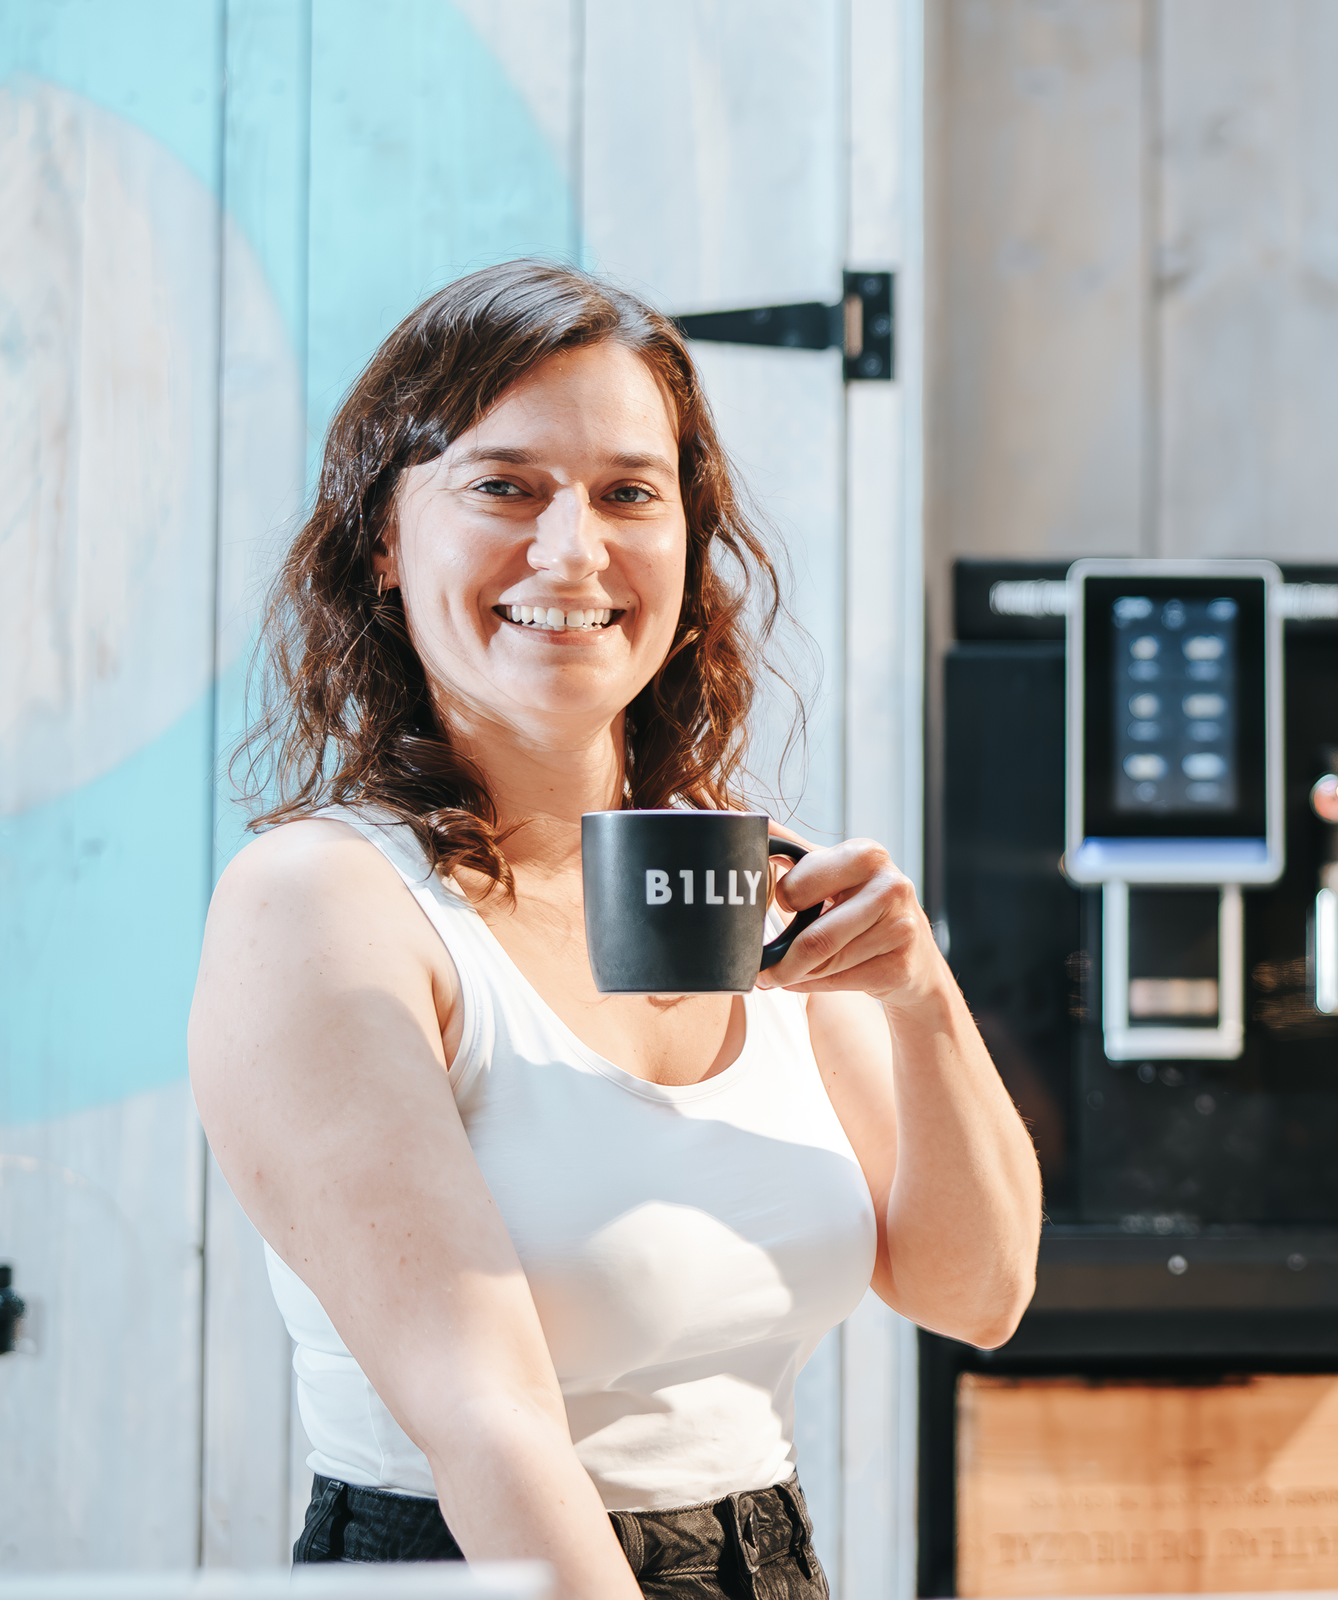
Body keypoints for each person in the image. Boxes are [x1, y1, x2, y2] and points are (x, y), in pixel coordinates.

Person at [189, 259, 1040, 1599]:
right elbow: (488, 1423)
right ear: (384, 540)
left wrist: (918, 997)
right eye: (504, 486)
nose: (572, 550)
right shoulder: (322, 902)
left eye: (630, 493)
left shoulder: (739, 873)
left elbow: (975, 1292)